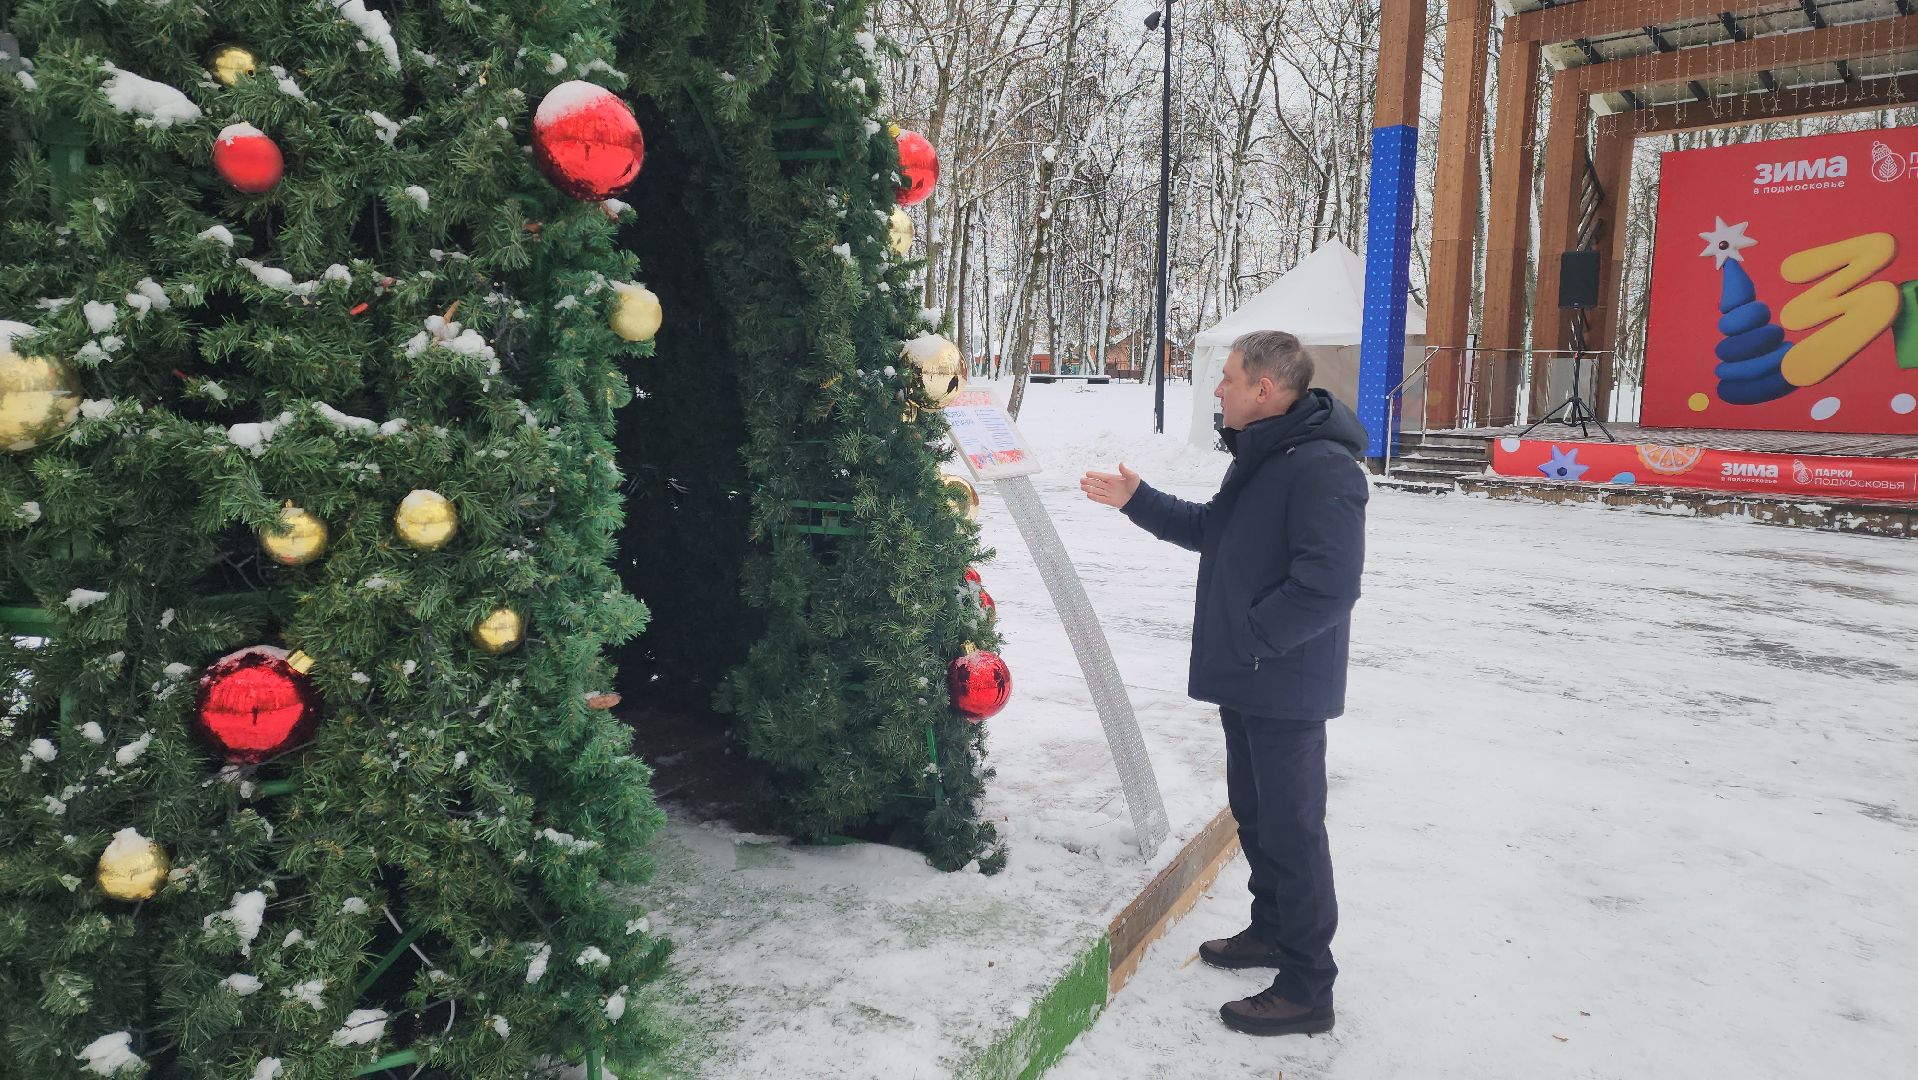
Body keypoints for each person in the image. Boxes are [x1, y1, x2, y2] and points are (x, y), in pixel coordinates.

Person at [1080, 330, 1368, 1037]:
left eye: (1229, 378)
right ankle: (1271, 929)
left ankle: (1307, 986)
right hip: (1252, 678)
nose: (1218, 389)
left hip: (1282, 681)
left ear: (1265, 389)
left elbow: (1329, 587)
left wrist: (1255, 638)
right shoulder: (1269, 454)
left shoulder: (1322, 467)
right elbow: (1217, 530)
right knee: (1258, 812)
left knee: (1294, 831)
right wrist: (1137, 499)